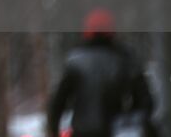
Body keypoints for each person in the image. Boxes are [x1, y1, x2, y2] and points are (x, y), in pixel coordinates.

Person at [47, 9, 158, 137]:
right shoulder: (124, 59)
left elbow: (57, 103)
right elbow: (146, 102)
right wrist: (129, 119)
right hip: (115, 131)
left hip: (82, 132)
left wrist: (53, 130)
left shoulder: (75, 61)